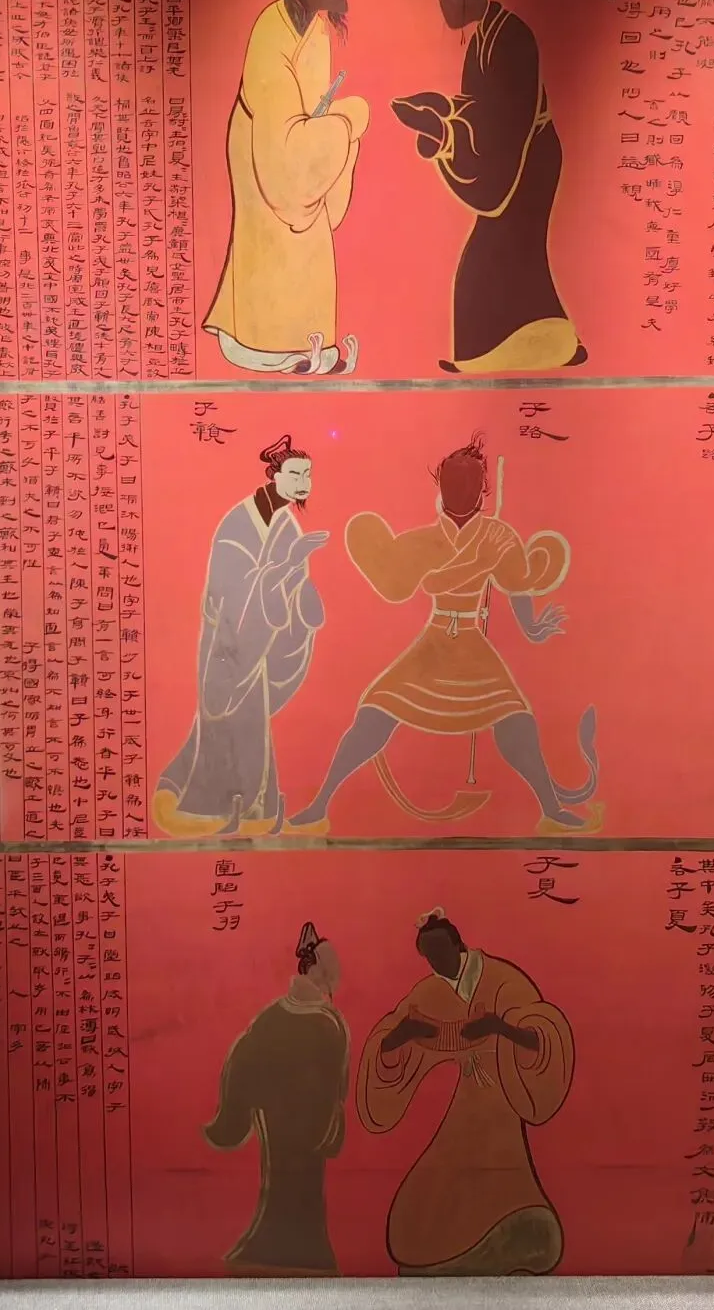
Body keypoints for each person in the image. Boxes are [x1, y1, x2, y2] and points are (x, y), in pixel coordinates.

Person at [288, 434, 599, 834]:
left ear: (477, 493)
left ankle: (551, 807)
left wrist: (530, 626)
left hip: (470, 644)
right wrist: (485, 575)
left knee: (517, 725)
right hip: (433, 644)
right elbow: (410, 583)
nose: (459, 496)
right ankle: (320, 803)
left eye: (463, 488)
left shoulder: (495, 537)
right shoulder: (433, 540)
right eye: (453, 488)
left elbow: (516, 582)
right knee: (373, 715)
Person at [391, 0, 586, 375]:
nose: (446, 14)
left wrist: (443, 132)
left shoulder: (513, 35)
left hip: (528, 156)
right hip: (510, 153)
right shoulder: (481, 39)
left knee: (495, 254)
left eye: (450, 3)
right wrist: (441, 109)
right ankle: (558, 343)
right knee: (518, 255)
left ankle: (498, 351)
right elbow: (477, 108)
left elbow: (509, 118)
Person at [356, 910, 573, 1276]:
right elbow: (390, 1039)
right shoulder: (429, 992)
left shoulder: (503, 981)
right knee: (433, 1187)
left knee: (503, 1179)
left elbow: (543, 1034)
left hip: (500, 1104)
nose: (436, 963)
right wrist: (401, 1036)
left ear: (458, 944)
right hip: (459, 1104)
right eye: (429, 957)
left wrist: (500, 1027)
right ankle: (435, 1250)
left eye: (440, 952)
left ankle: (517, 1234)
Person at [204, 0, 370, 375]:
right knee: (266, 240)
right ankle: (257, 343)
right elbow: (274, 114)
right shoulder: (272, 26)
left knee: (311, 239)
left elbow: (312, 104)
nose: (337, 3)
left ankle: (308, 341)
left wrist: (324, 133)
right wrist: (344, 123)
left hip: (303, 142)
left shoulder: (317, 31)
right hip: (263, 141)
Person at [152, 437, 328, 837]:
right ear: (274, 475)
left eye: (308, 475)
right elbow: (234, 590)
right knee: (231, 722)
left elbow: (291, 583)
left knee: (251, 723)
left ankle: (250, 806)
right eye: (295, 474)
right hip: (229, 643)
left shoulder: (286, 523)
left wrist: (295, 581)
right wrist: (285, 566)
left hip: (260, 642)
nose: (304, 483)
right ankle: (221, 806)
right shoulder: (237, 525)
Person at [205, 923, 349, 1275]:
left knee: (292, 1183)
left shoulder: (276, 1015)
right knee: (291, 1181)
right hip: (302, 1122)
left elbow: (243, 1060)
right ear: (314, 972)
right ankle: (294, 1250)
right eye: (327, 974)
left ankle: (290, 1248)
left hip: (285, 1120)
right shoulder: (327, 1022)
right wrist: (328, 1124)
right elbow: (336, 1083)